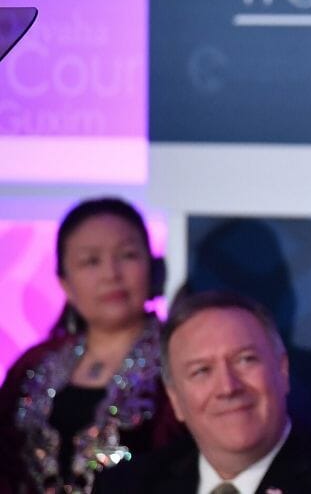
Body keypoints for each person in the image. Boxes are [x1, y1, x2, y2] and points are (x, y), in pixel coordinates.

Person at [93, 290, 311, 493]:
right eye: (201, 371)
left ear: (282, 371)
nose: (228, 388)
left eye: (245, 360)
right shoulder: (125, 487)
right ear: (175, 399)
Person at [0, 197, 179, 493]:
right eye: (91, 261)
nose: (111, 274)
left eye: (127, 255)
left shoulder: (181, 358)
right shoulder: (33, 364)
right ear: (65, 283)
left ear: (153, 266)